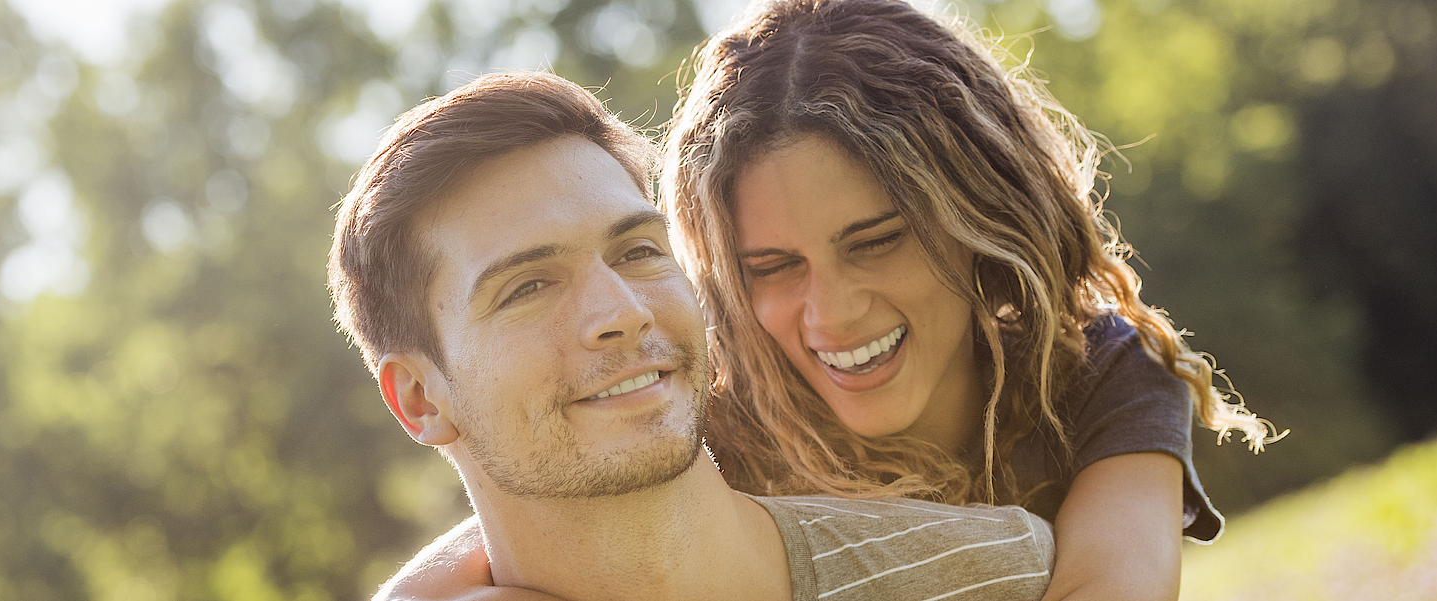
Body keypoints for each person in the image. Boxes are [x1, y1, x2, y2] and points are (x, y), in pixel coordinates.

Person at [379, 2, 1285, 601]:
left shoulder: (1097, 371)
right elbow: (522, 499)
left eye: (877, 240)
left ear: (976, 214)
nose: (831, 314)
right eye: (771, 265)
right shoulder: (730, 412)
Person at [331, 70, 1055, 601]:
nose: (623, 310)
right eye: (528, 286)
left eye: (638, 251)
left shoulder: (1007, 577)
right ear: (420, 398)